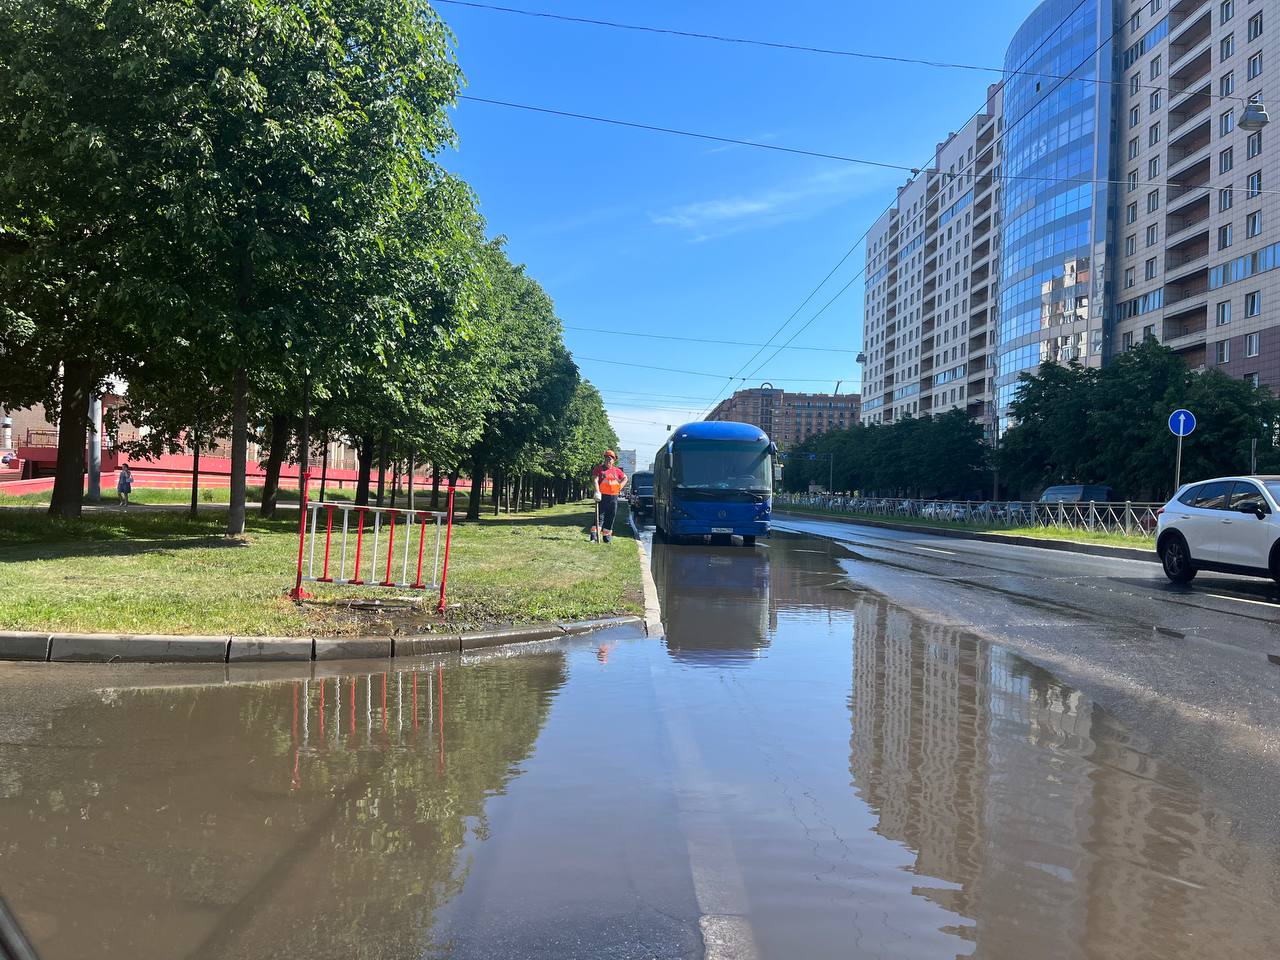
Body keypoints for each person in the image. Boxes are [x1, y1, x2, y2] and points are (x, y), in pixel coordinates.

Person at [591, 449, 628, 544]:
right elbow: (595, 480)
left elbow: (625, 478)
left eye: (611, 459)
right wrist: (597, 491)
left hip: (613, 497)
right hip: (602, 496)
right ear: (604, 459)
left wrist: (620, 487)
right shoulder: (599, 469)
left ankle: (606, 538)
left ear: (614, 460)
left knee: (610, 517)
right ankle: (594, 537)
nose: (609, 460)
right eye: (607, 458)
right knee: (599, 517)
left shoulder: (617, 471)